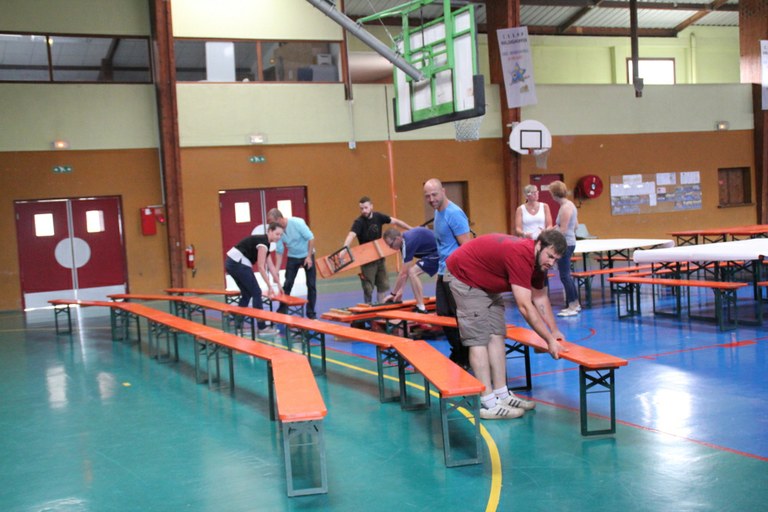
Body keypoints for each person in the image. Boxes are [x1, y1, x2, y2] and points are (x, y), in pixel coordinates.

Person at [445, 230, 568, 419]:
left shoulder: (540, 264)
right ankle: (487, 403)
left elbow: (540, 298)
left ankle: (501, 394)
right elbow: (525, 306)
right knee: (479, 340)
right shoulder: (521, 255)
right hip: (465, 275)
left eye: (556, 260)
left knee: (497, 334)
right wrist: (549, 341)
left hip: (486, 279)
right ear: (538, 245)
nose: (551, 263)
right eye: (550, 256)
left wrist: (554, 331)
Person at [423, 178, 471, 368]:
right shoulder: (438, 212)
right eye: (427, 196)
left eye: (434, 194)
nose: (431, 199)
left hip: (456, 273)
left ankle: (465, 355)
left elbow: (466, 247)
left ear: (443, 191)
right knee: (444, 314)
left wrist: (463, 275)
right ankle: (458, 350)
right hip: (444, 271)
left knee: (460, 315)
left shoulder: (454, 213)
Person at [343, 196, 412, 304]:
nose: (364, 211)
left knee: (383, 285)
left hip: (379, 257)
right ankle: (367, 308)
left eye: (366, 208)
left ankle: (381, 307)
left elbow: (395, 221)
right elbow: (351, 235)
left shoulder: (378, 217)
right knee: (368, 288)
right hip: (366, 259)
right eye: (361, 208)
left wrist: (411, 229)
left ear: (371, 206)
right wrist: (344, 248)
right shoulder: (359, 222)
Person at [225, 222, 284, 335]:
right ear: (270, 231)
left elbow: (271, 266)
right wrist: (269, 286)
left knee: (247, 294)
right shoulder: (263, 244)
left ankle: (238, 325)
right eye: (277, 234)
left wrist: (279, 284)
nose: (279, 237)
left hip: (232, 263)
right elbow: (261, 267)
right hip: (237, 263)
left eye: (281, 235)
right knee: (256, 292)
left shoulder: (266, 244)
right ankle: (262, 327)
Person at [265, 208, 317, 319]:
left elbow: (311, 238)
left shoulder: (297, 223)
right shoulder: (279, 230)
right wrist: (276, 271)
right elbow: (279, 251)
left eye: (273, 222)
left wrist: (308, 257)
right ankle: (282, 309)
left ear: (279, 219)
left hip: (306, 254)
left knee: (311, 284)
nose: (272, 226)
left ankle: (311, 313)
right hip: (293, 256)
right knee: (288, 283)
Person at [382, 227, 439, 314]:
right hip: (436, 251)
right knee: (412, 271)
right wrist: (400, 290)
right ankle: (427, 304)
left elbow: (403, 273)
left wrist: (393, 294)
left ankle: (421, 307)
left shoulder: (408, 243)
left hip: (440, 251)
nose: (390, 247)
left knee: (413, 273)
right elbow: (406, 269)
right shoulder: (403, 242)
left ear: (397, 239)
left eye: (391, 244)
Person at [549, 180, 581, 317]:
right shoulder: (569, 205)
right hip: (569, 242)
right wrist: (550, 230)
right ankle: (575, 304)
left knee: (565, 276)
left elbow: (563, 229)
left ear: (554, 194)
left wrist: (549, 236)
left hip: (566, 244)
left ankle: (572, 305)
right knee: (565, 275)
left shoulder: (565, 208)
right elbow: (575, 226)